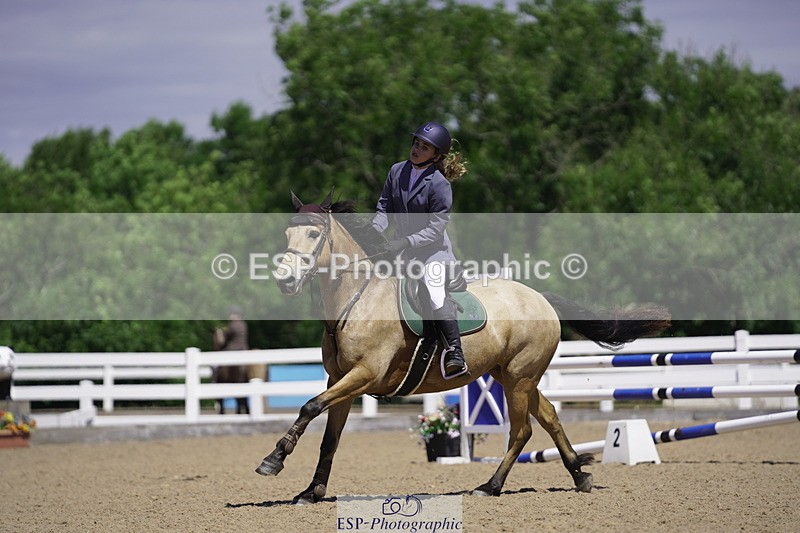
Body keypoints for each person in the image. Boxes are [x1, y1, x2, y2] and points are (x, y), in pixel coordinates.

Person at [372, 121, 469, 379]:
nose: (417, 149)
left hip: (432, 252)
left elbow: (435, 229)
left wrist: (405, 242)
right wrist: (374, 232)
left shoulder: (439, 184)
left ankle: (454, 351)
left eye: (425, 147)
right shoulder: (396, 171)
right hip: (399, 251)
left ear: (436, 155)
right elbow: (384, 209)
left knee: (435, 290)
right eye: (417, 143)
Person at [212, 305, 250, 414]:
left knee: (215, 365)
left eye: (231, 314)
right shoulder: (244, 324)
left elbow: (222, 341)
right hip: (244, 351)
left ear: (235, 315)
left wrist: (220, 332)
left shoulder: (232, 326)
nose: (230, 316)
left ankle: (215, 378)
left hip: (232, 351)